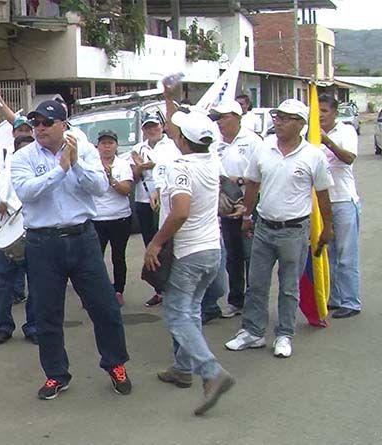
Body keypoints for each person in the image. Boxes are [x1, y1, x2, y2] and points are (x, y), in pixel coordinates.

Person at [10, 100, 132, 400]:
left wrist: (75, 162)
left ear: (63, 124)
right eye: (35, 123)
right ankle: (56, 374)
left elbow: (99, 188)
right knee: (47, 313)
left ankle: (115, 363)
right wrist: (60, 170)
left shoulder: (86, 150)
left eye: (46, 123)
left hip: (82, 238)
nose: (39, 128)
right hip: (42, 242)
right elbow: (27, 192)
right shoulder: (23, 156)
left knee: (104, 307)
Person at [145, 93, 235, 415]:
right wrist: (170, 98)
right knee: (192, 309)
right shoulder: (211, 158)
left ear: (183, 140)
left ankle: (211, 372)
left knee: (175, 314)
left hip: (189, 252)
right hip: (212, 249)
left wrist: (156, 242)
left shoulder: (180, 168)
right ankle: (183, 368)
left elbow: (180, 211)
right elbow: (177, 129)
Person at [225, 99, 334, 359]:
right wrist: (248, 215)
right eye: (278, 116)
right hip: (264, 226)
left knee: (288, 287)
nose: (279, 122)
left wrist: (327, 227)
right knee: (257, 283)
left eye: (286, 118)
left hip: (294, 231)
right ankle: (253, 332)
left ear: (300, 124)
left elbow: (322, 195)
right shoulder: (263, 149)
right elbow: (252, 185)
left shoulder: (313, 155)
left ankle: (284, 334)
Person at [207, 100, 264, 319]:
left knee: (251, 254)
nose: (220, 122)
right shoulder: (215, 144)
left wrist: (238, 180)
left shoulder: (252, 141)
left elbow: (260, 175)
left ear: (238, 117)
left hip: (249, 203)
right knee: (233, 255)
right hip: (225, 206)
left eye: (224, 117)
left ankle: (254, 301)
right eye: (218, 118)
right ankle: (236, 300)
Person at [0, 134, 38, 345]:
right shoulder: (6, 175)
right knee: (4, 285)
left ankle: (33, 326)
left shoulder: (42, 173)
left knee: (35, 284)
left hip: (35, 235)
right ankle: (3, 327)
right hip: (8, 235)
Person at [131, 113, 181, 307]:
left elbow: (173, 168)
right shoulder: (138, 148)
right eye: (147, 127)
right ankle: (159, 289)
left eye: (155, 126)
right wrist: (139, 167)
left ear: (162, 127)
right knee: (150, 243)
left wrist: (151, 164)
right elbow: (133, 176)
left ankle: (173, 287)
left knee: (167, 244)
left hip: (167, 201)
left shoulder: (171, 146)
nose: (151, 130)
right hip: (143, 200)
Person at [318, 94, 361, 319]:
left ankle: (351, 301)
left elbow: (349, 158)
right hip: (320, 203)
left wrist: (328, 142)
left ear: (334, 112)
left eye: (324, 111)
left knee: (346, 254)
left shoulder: (345, 131)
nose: (320, 115)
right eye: (317, 111)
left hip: (343, 200)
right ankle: (334, 298)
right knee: (328, 254)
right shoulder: (309, 135)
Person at [91, 130, 133, 304]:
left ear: (116, 145)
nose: (106, 147)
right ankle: (98, 292)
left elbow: (126, 190)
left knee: (118, 256)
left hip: (120, 217)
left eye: (110, 143)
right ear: (97, 146)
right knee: (94, 258)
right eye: (103, 143)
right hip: (96, 218)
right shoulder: (91, 165)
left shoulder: (123, 165)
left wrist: (111, 179)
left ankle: (118, 291)